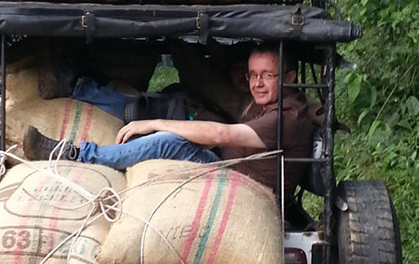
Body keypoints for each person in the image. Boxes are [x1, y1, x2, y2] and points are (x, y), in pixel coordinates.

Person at [24, 42, 321, 198]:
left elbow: (222, 135)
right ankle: (79, 90)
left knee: (170, 140)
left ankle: (78, 156)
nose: (257, 83)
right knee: (164, 108)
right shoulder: (272, 101)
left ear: (290, 78)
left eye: (267, 75)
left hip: (241, 185)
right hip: (226, 164)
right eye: (253, 75)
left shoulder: (287, 117)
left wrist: (156, 124)